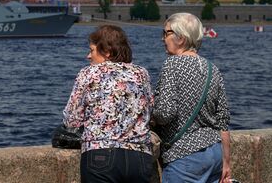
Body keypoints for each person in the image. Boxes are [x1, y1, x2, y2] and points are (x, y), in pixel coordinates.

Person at [63, 25, 154, 183]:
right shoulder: (141, 73)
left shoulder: (88, 73)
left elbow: (72, 120)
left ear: (107, 51)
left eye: (91, 50)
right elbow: (150, 110)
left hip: (100, 154)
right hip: (139, 157)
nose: (88, 56)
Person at [153, 13, 231, 183]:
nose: (163, 39)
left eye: (166, 33)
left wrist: (149, 111)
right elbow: (223, 120)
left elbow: (165, 113)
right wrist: (226, 162)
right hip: (214, 154)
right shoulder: (213, 69)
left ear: (180, 38)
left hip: (184, 157)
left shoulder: (172, 65)